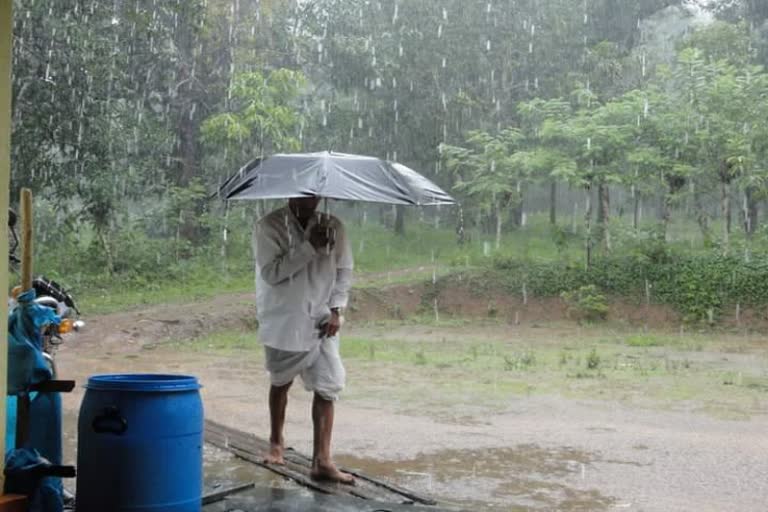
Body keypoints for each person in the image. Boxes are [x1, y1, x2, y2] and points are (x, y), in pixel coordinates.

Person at [252, 196, 355, 484]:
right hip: (284, 319)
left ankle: (322, 460)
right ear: (290, 193)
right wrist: (310, 247)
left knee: (329, 384)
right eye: (304, 193)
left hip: (322, 319)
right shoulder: (268, 226)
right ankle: (276, 442)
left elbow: (344, 270)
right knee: (280, 381)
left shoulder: (333, 225)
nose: (311, 200)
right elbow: (272, 274)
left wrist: (336, 309)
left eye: (315, 194)